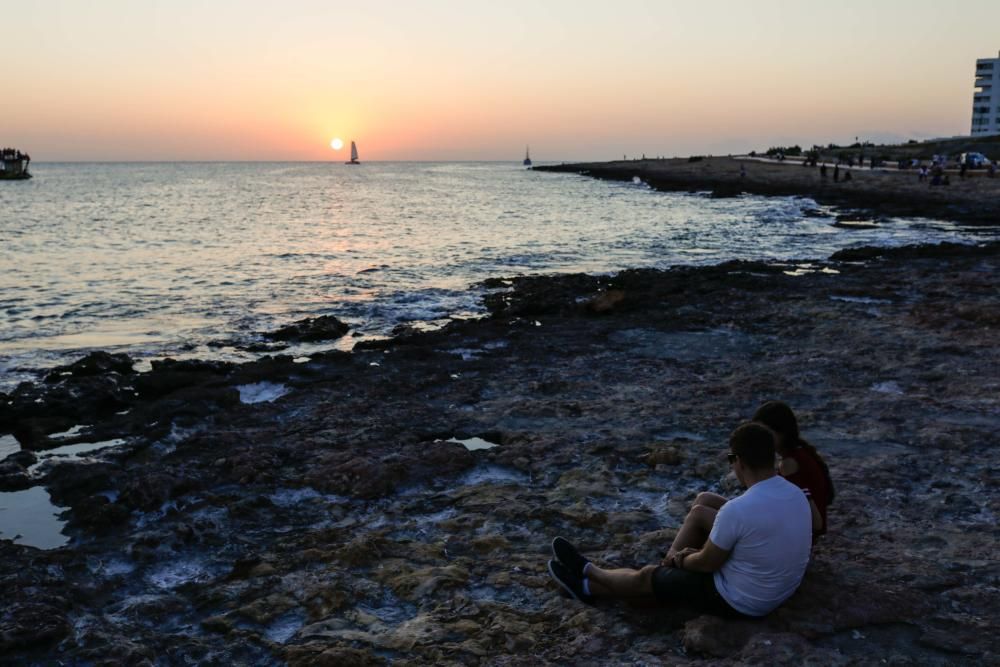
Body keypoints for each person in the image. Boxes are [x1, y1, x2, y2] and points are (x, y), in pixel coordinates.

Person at [547, 423, 812, 618]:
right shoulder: (795, 494)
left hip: (742, 601)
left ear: (739, 461)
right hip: (775, 589)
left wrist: (681, 559)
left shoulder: (739, 511)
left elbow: (707, 563)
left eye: (731, 459)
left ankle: (589, 573)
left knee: (647, 577)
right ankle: (587, 586)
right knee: (703, 507)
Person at [752, 401, 834, 536]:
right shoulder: (800, 452)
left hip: (798, 534)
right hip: (794, 526)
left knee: (705, 513)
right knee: (707, 500)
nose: (760, 440)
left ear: (781, 433)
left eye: (765, 434)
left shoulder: (789, 464)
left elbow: (809, 518)